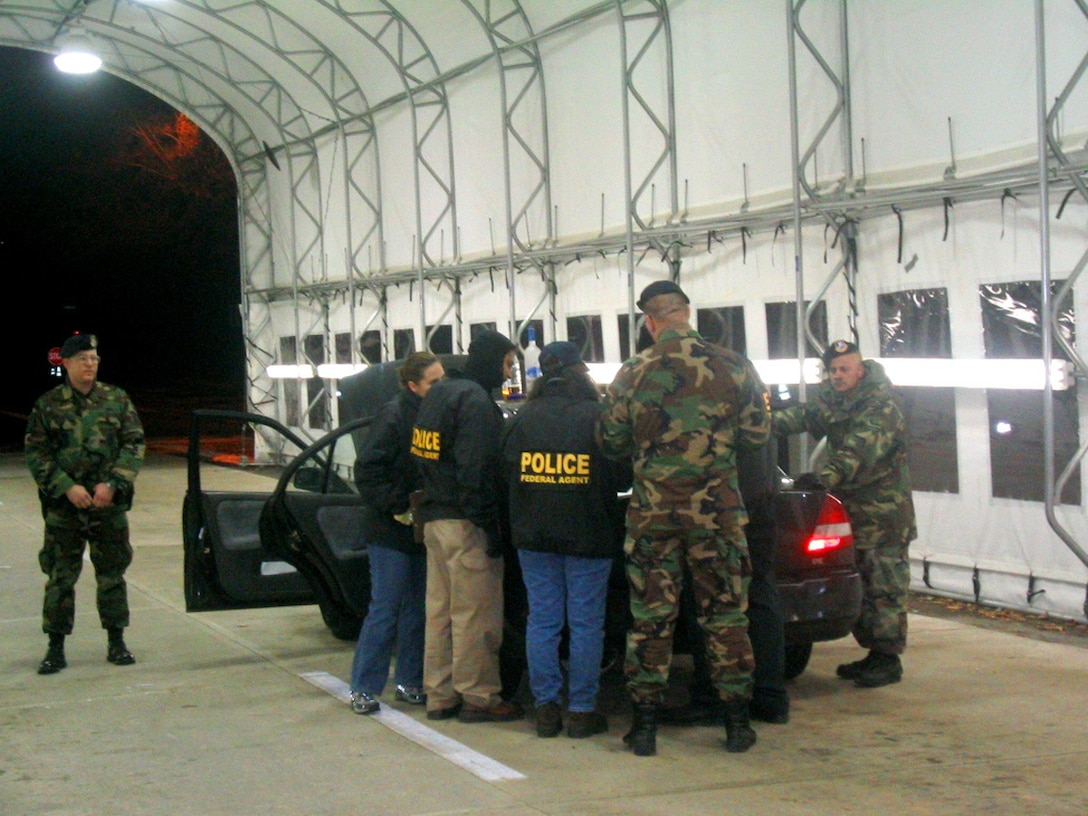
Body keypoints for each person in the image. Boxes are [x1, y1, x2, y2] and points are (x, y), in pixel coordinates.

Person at [597, 280, 771, 756]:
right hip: (717, 518)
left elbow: (610, 443)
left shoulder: (632, 372)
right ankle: (737, 724)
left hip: (655, 517)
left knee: (651, 619)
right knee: (726, 617)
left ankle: (645, 727)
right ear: (686, 313)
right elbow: (757, 436)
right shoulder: (734, 365)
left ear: (649, 322)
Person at [501, 341, 629, 739]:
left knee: (542, 621)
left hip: (534, 537)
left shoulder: (522, 419)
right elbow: (622, 476)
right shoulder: (598, 417)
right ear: (581, 372)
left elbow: (504, 474)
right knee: (587, 624)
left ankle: (545, 709)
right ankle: (581, 711)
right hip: (589, 535)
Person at [772, 339, 916, 688]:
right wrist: (763, 423)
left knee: (884, 585)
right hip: (855, 509)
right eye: (832, 370)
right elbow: (805, 416)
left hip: (883, 514)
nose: (837, 376)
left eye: (844, 369)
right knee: (861, 585)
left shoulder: (881, 405)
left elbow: (859, 451)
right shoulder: (839, 402)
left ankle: (887, 657)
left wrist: (825, 477)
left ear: (860, 370)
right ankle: (874, 654)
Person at [411, 329, 524, 723]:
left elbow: (425, 458)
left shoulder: (439, 393)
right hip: (465, 522)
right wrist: (489, 526)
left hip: (434, 519)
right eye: (508, 364)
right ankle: (479, 698)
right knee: (476, 615)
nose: (509, 374)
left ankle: (439, 695)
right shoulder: (475, 402)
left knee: (440, 614)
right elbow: (476, 471)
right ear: (492, 360)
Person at [25, 333, 146, 674]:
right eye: (82, 359)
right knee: (61, 578)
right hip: (66, 509)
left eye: (94, 358)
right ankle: (55, 647)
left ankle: (116, 641)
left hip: (108, 506)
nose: (90, 364)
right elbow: (37, 454)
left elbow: (134, 443)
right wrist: (66, 487)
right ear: (65, 363)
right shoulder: (48, 406)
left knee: (112, 575)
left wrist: (114, 482)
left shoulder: (116, 399)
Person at [661, 438, 790, 726]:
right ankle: (771, 697)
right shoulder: (755, 394)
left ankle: (711, 697)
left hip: (725, 508)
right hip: (761, 500)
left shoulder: (716, 394)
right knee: (760, 595)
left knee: (708, 602)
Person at [348, 352, 445, 715]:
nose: (441, 387)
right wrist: (399, 508)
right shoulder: (394, 415)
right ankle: (363, 687)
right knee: (386, 609)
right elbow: (368, 472)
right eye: (433, 382)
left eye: (442, 379)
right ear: (413, 386)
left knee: (418, 609)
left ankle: (409, 682)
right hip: (390, 530)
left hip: (421, 529)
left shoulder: (435, 413)